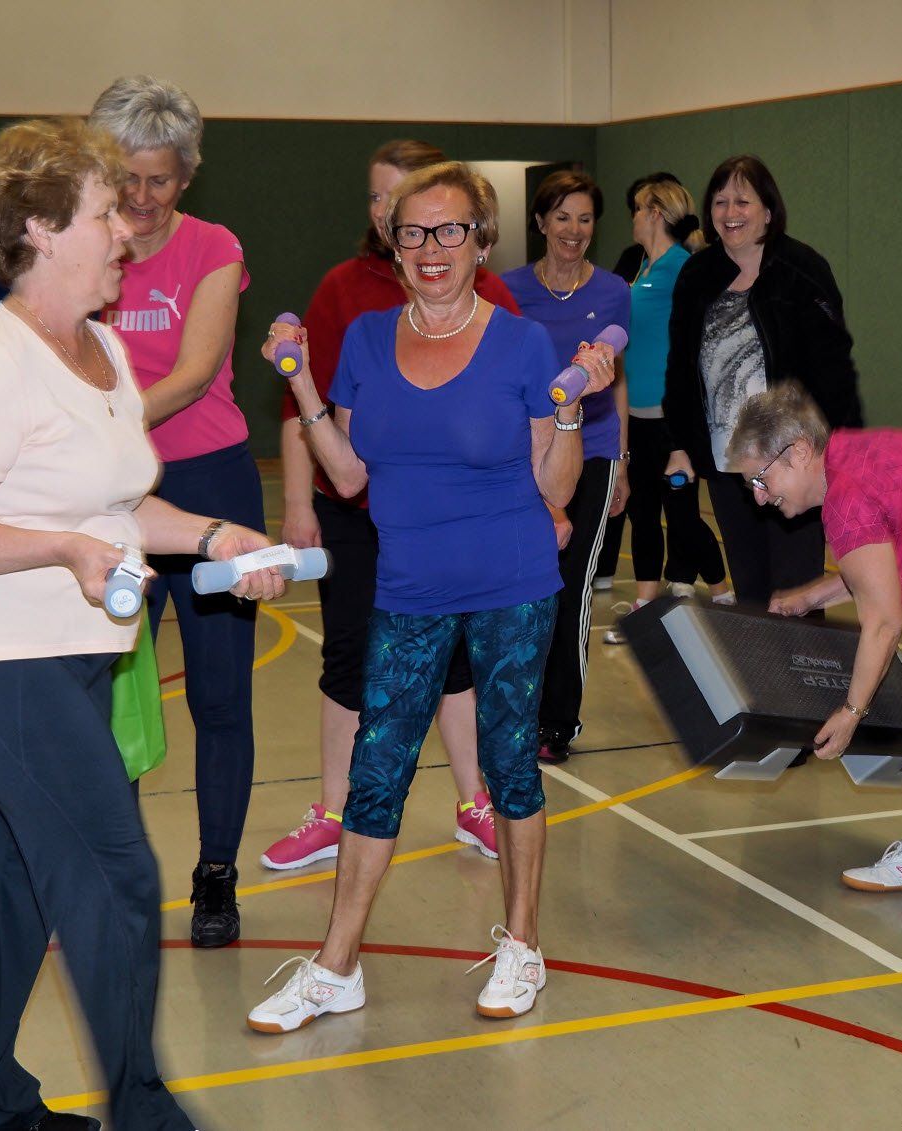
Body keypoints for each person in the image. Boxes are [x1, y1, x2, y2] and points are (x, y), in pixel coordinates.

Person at [0, 117, 284, 1131]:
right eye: (107, 213)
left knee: (15, 884)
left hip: (68, 661)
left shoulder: (104, 349)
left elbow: (112, 506)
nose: (128, 231)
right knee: (113, 874)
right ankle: (147, 1117)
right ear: (40, 228)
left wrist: (211, 537)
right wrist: (62, 551)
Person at [249, 162, 615, 1031]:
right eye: (413, 233)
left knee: (508, 765)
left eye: (451, 230)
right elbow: (347, 473)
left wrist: (569, 409)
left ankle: (522, 944)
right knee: (376, 772)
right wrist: (299, 382)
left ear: (482, 241)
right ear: (393, 245)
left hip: (512, 583)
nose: (432, 248)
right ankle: (337, 966)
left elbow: (553, 487)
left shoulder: (522, 344)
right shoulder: (370, 339)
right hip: (408, 587)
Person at [263, 139, 522, 871]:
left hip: (448, 522)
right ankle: (334, 810)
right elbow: (297, 402)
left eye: (405, 198)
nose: (391, 212)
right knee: (350, 657)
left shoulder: (490, 298)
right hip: (355, 512)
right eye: (378, 198)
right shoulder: (344, 290)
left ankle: (476, 804)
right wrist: (296, 504)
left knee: (456, 665)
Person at [727, 382, 902, 933]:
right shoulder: (849, 459)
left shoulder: (846, 498)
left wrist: (851, 713)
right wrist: (813, 595)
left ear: (799, 452)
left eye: (762, 479)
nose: (759, 496)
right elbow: (881, 559)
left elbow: (884, 619)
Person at [90, 75, 260, 948]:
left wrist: (93, 429)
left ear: (186, 176)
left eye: (159, 179)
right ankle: (115, 873)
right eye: (126, 177)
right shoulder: (82, 248)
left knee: (221, 696)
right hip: (112, 497)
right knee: (110, 694)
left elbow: (194, 372)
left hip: (209, 483)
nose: (142, 198)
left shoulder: (214, 248)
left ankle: (216, 873)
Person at [664, 155, 862, 606]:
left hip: (795, 463)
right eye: (720, 202)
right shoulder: (696, 276)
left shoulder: (802, 269)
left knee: (796, 596)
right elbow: (680, 369)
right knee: (751, 596)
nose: (730, 213)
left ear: (768, 210)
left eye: (742, 201)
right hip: (727, 464)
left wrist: (843, 453)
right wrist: (681, 442)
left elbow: (835, 371)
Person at [503, 170, 630, 764]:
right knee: (524, 585)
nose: (573, 230)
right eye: (562, 217)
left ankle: (557, 722)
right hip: (525, 456)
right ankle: (513, 709)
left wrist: (624, 459)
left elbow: (616, 380)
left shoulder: (612, 293)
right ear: (540, 222)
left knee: (573, 585)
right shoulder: (506, 291)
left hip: (595, 451)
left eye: (584, 219)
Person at [602, 177, 731, 645]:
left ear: (655, 212)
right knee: (642, 510)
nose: (632, 217)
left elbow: (700, 344)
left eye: (637, 208)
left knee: (681, 517)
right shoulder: (639, 267)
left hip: (671, 419)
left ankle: (722, 596)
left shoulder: (681, 267)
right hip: (633, 415)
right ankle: (645, 606)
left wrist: (686, 437)